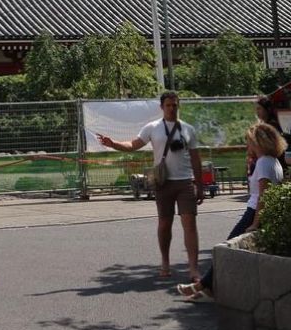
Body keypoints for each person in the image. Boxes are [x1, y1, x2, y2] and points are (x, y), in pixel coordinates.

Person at [97, 91, 204, 280]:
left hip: (185, 182)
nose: (172, 108)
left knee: (190, 223)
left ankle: (193, 268)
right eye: (169, 105)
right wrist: (113, 143)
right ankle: (165, 261)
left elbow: (196, 158)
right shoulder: (153, 128)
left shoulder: (188, 129)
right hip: (163, 182)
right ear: (161, 107)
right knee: (165, 223)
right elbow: (133, 144)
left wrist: (200, 184)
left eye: (175, 105)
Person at [178, 121, 285, 301]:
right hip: (255, 212)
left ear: (258, 142)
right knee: (229, 250)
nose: (247, 145)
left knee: (227, 250)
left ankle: (203, 285)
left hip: (252, 213)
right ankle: (207, 288)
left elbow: (263, 196)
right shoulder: (272, 161)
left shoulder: (264, 163)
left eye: (249, 141)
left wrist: (254, 223)